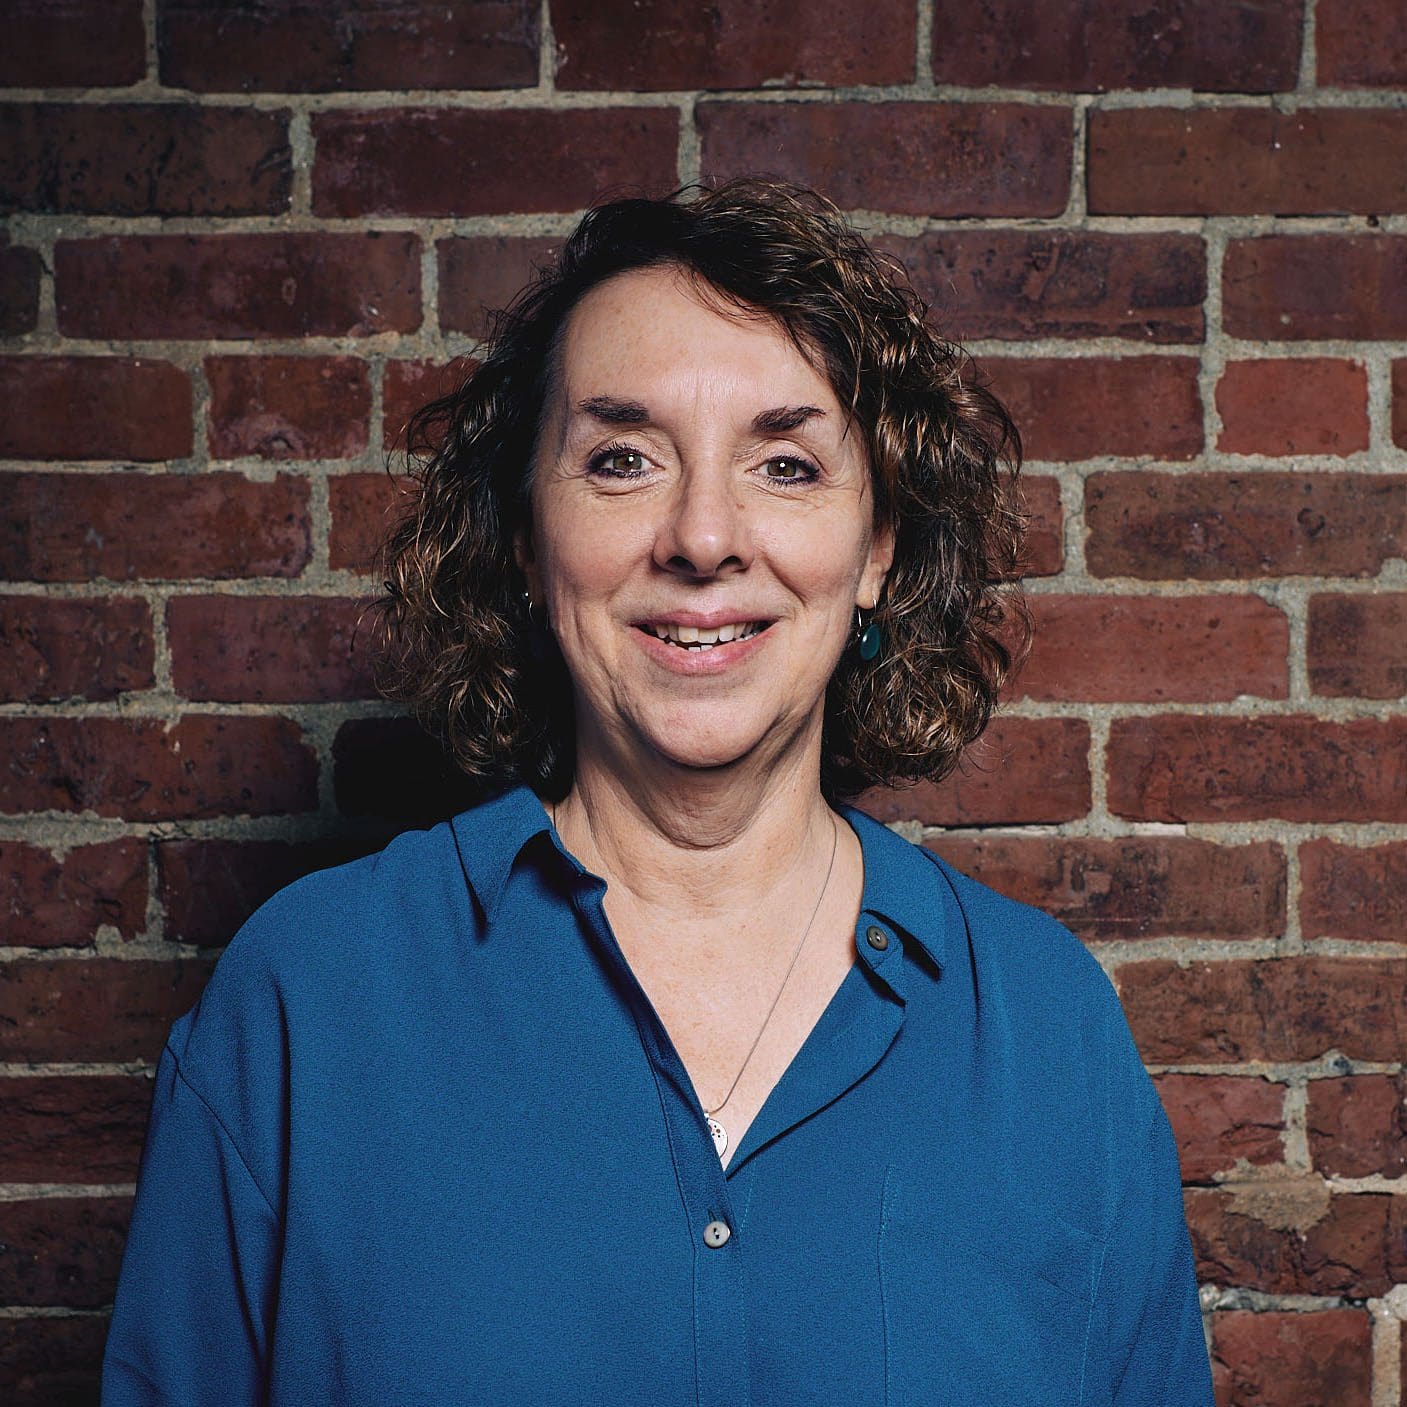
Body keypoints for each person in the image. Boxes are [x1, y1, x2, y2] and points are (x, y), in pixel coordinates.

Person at [101, 178, 1214, 1405]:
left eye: (785, 466)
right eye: (623, 458)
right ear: (528, 536)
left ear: (879, 549)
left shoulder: (1047, 1033)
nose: (702, 536)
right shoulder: (310, 999)